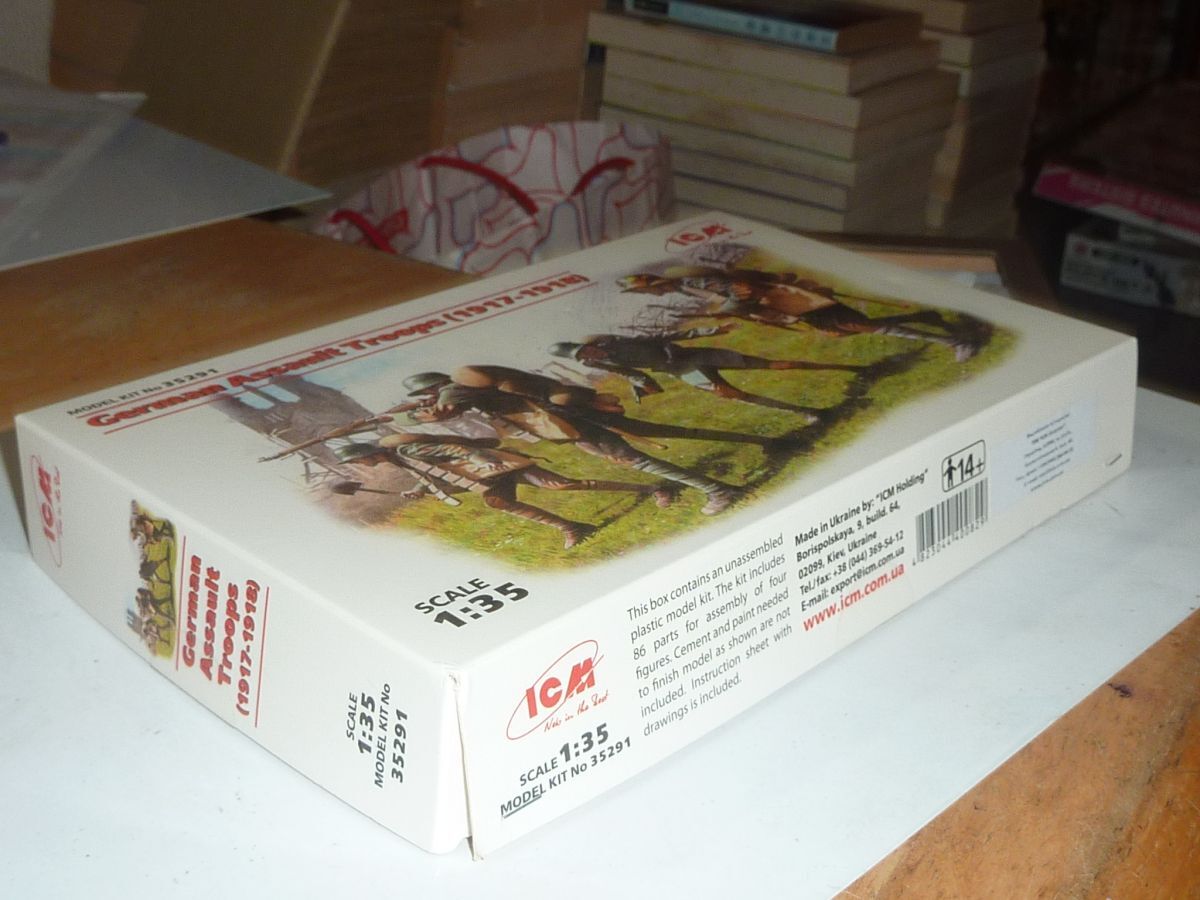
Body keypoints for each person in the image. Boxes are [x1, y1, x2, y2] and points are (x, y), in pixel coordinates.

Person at [400, 368, 755, 515]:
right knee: (659, 431)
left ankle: (719, 490)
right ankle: (762, 440)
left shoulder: (454, 389)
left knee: (635, 460)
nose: (426, 401)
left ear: (431, 389)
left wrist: (433, 415)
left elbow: (448, 405)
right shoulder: (466, 385)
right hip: (568, 414)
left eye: (424, 396)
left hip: (567, 422)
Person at [334, 435, 677, 549]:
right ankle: (573, 527)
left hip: (498, 465)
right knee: (498, 502)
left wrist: (483, 460)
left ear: (367, 453)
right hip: (487, 476)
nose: (363, 465)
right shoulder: (400, 459)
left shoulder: (407, 450)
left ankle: (654, 486)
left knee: (564, 485)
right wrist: (418, 490)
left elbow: (454, 449)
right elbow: (431, 472)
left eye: (361, 460)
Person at [618, 269, 989, 362]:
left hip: (795, 302)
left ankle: (955, 339)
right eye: (644, 294)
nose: (650, 294)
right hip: (788, 311)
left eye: (646, 290)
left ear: (654, 283)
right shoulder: (684, 289)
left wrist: (728, 307)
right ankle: (930, 318)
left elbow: (739, 289)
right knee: (858, 329)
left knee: (866, 327)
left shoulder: (692, 281)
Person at [548, 324, 870, 418]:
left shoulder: (614, 341)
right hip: (682, 370)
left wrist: (712, 330)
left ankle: (853, 367)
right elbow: (632, 373)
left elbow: (663, 336)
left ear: (585, 344)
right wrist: (639, 387)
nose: (587, 356)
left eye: (584, 350)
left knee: (774, 365)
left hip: (694, 355)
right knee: (733, 395)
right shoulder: (598, 362)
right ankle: (807, 412)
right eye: (582, 358)